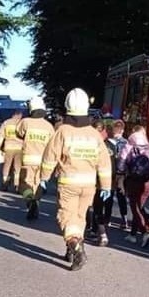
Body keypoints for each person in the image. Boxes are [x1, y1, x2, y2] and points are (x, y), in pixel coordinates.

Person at [39, 88, 112, 271]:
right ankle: (72, 250)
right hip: (89, 185)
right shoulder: (94, 134)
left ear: (67, 107)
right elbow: (104, 162)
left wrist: (44, 177)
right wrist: (106, 186)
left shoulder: (63, 131)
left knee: (66, 217)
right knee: (79, 218)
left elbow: (50, 157)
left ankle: (76, 247)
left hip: (68, 183)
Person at [117, 125, 149, 247]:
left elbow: (121, 161)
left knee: (135, 207)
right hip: (148, 181)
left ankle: (144, 231)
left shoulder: (130, 145)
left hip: (134, 180)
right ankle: (133, 234)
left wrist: (121, 171)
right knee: (139, 205)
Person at [16, 96, 55, 220]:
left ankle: (29, 201)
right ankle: (36, 204)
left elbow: (19, 133)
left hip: (28, 160)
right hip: (43, 162)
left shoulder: (25, 122)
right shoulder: (49, 126)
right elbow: (53, 144)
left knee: (24, 184)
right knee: (38, 186)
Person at [0, 110, 23, 191]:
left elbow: (0, 136)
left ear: (13, 115)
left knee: (6, 167)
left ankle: (5, 184)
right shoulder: (22, 123)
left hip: (8, 148)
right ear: (19, 115)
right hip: (20, 149)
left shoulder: (6, 123)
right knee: (17, 168)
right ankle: (17, 185)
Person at [107, 120, 130, 229]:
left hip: (111, 172)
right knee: (121, 196)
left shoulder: (108, 142)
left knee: (110, 196)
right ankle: (124, 220)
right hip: (121, 173)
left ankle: (107, 218)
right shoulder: (126, 143)